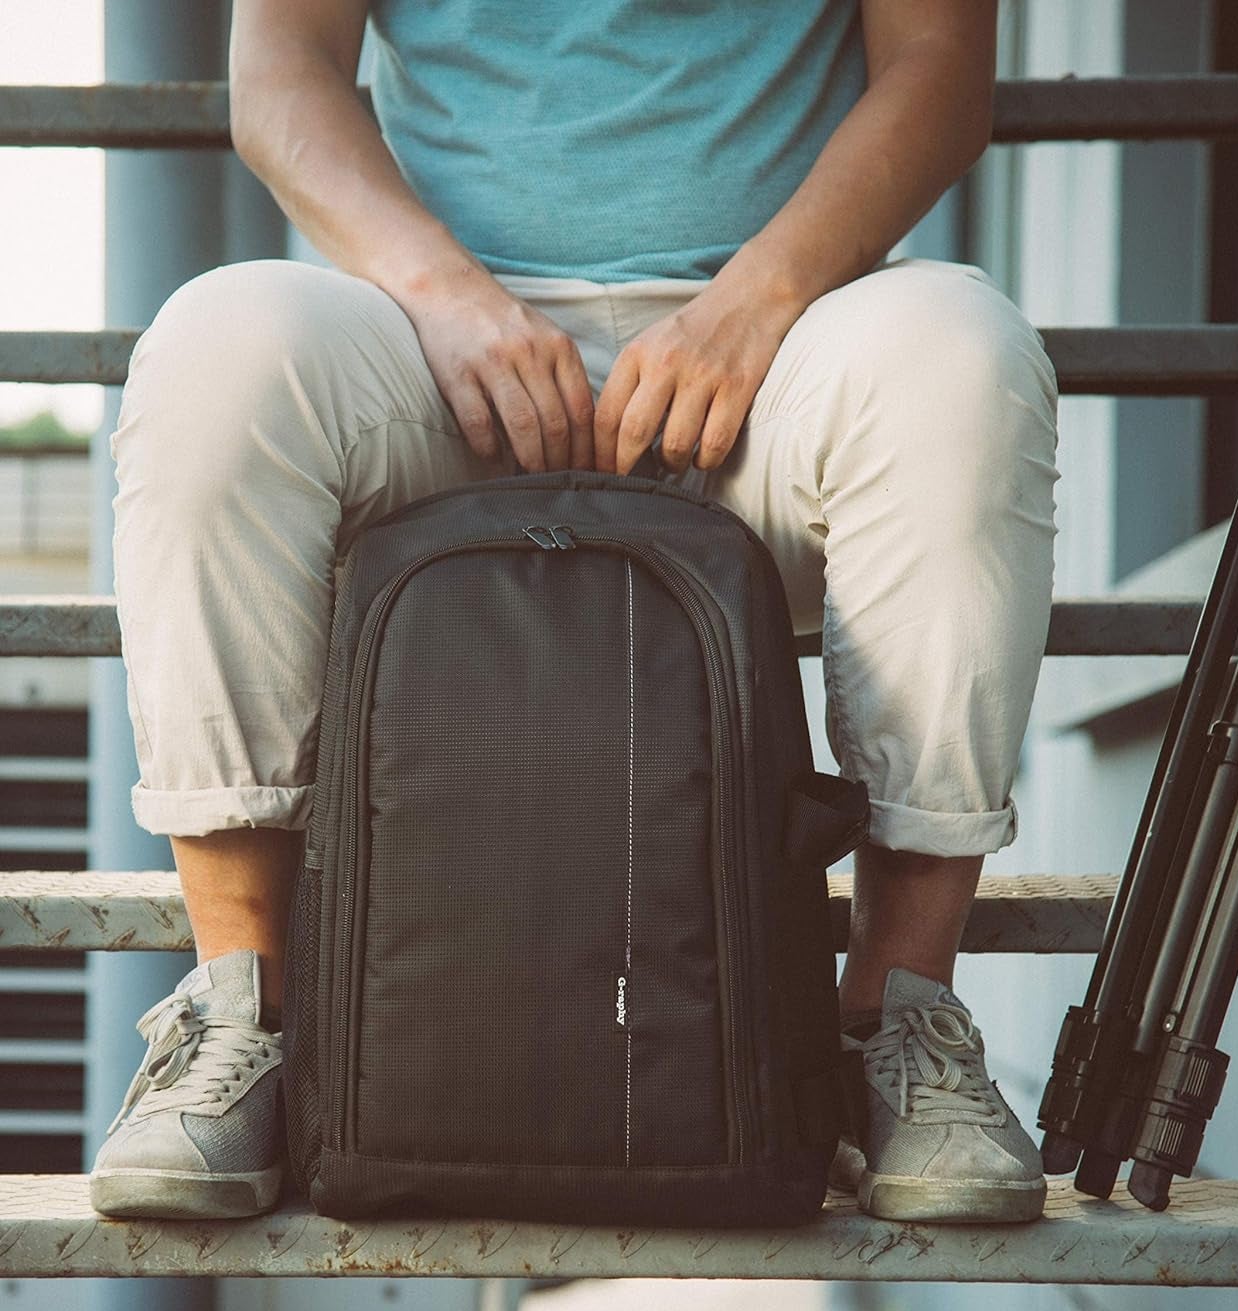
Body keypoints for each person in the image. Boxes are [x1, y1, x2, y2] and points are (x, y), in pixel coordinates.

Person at [89, 0, 1061, 1225]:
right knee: (216, 351)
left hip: (784, 342)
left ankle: (897, 1028)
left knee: (961, 356)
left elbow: (937, 66)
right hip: (432, 341)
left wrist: (756, 301)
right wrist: (442, 294)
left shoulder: (784, 319)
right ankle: (247, 1018)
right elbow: (282, 66)